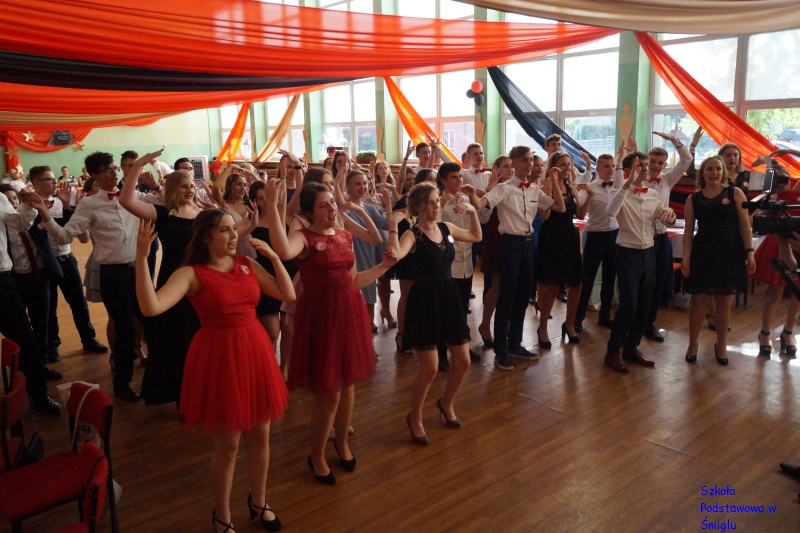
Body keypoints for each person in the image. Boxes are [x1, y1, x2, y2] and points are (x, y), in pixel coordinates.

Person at [134, 210, 294, 533]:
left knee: (261, 436)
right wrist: (141, 258)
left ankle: (259, 501)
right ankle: (222, 514)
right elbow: (151, 307)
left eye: (234, 229)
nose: (234, 235)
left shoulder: (247, 264)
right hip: (220, 356)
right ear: (206, 236)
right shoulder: (192, 274)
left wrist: (276, 258)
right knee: (229, 445)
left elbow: (287, 294)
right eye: (225, 230)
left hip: (254, 352)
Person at [265, 180, 396, 485]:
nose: (332, 209)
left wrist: (384, 266)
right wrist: (273, 206)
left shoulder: (344, 235)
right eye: (323, 205)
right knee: (330, 392)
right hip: (321, 315)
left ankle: (342, 442)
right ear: (309, 213)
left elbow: (354, 280)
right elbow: (282, 250)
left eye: (332, 203)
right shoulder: (303, 237)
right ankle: (317, 455)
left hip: (348, 310)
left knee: (348, 385)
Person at [23, 151, 161, 401]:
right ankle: (122, 384)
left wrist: (157, 185)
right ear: (95, 175)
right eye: (108, 170)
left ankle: (156, 378)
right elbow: (64, 236)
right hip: (113, 275)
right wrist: (44, 212)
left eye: (115, 169)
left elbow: (164, 201)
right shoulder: (89, 204)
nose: (114, 173)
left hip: (139, 271)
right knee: (125, 330)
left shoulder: (133, 196)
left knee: (153, 324)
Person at [388, 181, 481, 444]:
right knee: (430, 369)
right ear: (418, 207)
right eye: (430, 202)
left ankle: (446, 402)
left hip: (449, 296)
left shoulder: (446, 228)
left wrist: (473, 212)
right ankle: (415, 416)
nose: (436, 206)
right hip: (425, 301)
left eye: (437, 201)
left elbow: (476, 237)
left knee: (462, 361)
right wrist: (393, 225)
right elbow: (395, 254)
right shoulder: (412, 235)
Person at [467, 145, 565, 371]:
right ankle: (501, 351)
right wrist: (472, 193)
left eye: (531, 159)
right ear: (514, 163)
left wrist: (553, 182)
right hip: (510, 244)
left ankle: (515, 345)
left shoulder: (534, 189)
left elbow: (559, 207)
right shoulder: (504, 188)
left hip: (528, 245)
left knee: (522, 297)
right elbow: (480, 204)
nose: (529, 164)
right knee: (507, 297)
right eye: (524, 160)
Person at [120, 153, 204, 405]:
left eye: (191, 186)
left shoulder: (202, 213)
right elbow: (126, 200)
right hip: (173, 281)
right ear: (173, 188)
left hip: (201, 282)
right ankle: (180, 396)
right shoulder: (163, 213)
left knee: (200, 339)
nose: (189, 190)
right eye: (184, 186)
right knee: (177, 339)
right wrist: (138, 165)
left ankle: (199, 392)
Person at [604, 157, 677, 374]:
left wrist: (670, 215)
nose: (646, 168)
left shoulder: (652, 194)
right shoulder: (620, 192)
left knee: (645, 304)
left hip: (649, 252)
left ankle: (631, 347)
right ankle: (612, 351)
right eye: (640, 165)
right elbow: (611, 212)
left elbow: (664, 218)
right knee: (629, 305)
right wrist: (627, 184)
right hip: (627, 253)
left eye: (646, 165)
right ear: (629, 170)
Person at [27, 166, 106, 362]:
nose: (56, 183)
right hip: (45, 263)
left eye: (55, 179)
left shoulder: (62, 202)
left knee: (79, 303)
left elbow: (75, 235)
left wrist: (66, 206)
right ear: (36, 183)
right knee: (50, 308)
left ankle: (88, 339)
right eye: (50, 180)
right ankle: (53, 346)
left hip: (66, 259)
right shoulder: (29, 206)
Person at [681, 156, 755, 366]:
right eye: (709, 169)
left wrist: (749, 252)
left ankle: (721, 344)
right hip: (702, 253)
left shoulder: (735, 193)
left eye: (718, 169)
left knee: (724, 301)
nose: (714, 173)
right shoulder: (693, 199)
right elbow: (688, 231)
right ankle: (692, 344)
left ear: (723, 172)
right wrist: (686, 256)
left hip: (729, 252)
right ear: (702, 173)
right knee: (698, 300)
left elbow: (745, 225)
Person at [0, 185, 61, 415]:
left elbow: (20, 223)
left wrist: (27, 205)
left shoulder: (0, 199)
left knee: (26, 341)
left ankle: (39, 395)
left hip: (3, 283)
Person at [642, 131, 693, 342]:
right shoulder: (638, 181)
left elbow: (687, 160)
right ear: (647, 162)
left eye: (660, 163)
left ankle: (650, 323)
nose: (655, 165)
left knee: (658, 282)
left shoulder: (667, 179)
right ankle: (636, 321)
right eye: (652, 161)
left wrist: (675, 141)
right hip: (643, 239)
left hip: (661, 238)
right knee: (643, 283)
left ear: (665, 165)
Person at [535, 152, 589, 346]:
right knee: (553, 287)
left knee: (577, 284)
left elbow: (580, 214)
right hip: (552, 238)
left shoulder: (571, 186)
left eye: (568, 164)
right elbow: (545, 215)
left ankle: (569, 323)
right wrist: (553, 182)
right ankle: (542, 327)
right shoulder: (547, 185)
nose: (566, 168)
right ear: (553, 167)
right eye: (562, 165)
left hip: (569, 237)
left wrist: (590, 195)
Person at [749, 159, 799, 358]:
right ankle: (765, 333)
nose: (782, 183)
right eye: (776, 180)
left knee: (797, 295)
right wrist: (765, 207)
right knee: (775, 294)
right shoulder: (772, 199)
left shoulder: (796, 192)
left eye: (784, 178)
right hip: (778, 244)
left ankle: (788, 332)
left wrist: (786, 154)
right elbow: (751, 221)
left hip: (797, 242)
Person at [436, 162, 482, 366]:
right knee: (445, 309)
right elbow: (432, 227)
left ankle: (462, 345)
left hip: (466, 260)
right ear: (443, 180)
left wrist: (472, 198)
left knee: (462, 308)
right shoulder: (437, 201)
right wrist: (439, 204)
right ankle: (440, 351)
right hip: (448, 263)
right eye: (454, 177)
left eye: (460, 177)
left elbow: (478, 222)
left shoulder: (466, 200)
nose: (459, 180)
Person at [575, 153, 621, 332]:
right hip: (595, 236)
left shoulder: (618, 186)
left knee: (610, 277)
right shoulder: (590, 187)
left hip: (614, 235)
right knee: (588, 278)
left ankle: (604, 316)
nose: (611, 169)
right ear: (598, 168)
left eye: (613, 166)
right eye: (607, 166)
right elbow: (579, 207)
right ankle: (578, 318)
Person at [343, 169, 391, 332]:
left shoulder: (369, 209)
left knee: (369, 302)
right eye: (357, 184)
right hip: (353, 258)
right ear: (348, 186)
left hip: (368, 258)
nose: (362, 187)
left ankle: (367, 339)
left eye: (364, 183)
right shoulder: (343, 209)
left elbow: (387, 225)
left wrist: (388, 205)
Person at [478, 155, 512, 347]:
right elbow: (483, 211)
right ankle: (485, 324)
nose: (510, 169)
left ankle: (507, 324)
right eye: (506, 166)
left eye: (512, 166)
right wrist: (490, 186)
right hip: (497, 235)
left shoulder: (518, 187)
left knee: (511, 285)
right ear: (496, 169)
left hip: (514, 237)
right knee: (497, 283)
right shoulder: (494, 188)